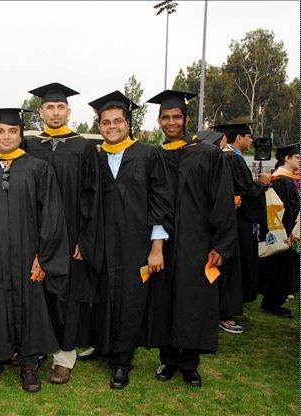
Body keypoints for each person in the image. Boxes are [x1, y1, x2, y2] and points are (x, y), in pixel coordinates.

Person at [0, 107, 69, 392]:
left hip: (28, 255)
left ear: (20, 135)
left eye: (13, 131)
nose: (6, 137)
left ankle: (29, 364)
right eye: (1, 131)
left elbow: (51, 216)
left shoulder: (38, 168)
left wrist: (43, 257)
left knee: (30, 306)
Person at [146, 90, 236, 387]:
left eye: (176, 117)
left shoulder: (208, 154)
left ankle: (190, 363)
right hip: (164, 241)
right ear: (159, 121)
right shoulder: (157, 155)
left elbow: (223, 201)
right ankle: (167, 359)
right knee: (165, 299)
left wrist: (221, 245)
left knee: (194, 300)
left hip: (198, 241)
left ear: (186, 120)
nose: (171, 122)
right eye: (166, 117)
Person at [87, 91, 173, 389]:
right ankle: (102, 345)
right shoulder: (96, 156)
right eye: (106, 122)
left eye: (117, 121)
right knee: (102, 294)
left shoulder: (148, 154)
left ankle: (122, 361)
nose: (112, 127)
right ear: (99, 125)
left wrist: (157, 246)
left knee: (130, 298)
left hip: (136, 243)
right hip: (102, 241)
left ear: (128, 123)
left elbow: (160, 201)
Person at [22, 83, 101, 385]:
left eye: (60, 107)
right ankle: (40, 347)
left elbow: (91, 196)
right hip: (35, 235)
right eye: (49, 107)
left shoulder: (82, 147)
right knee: (38, 294)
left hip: (70, 237)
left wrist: (84, 239)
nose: (55, 113)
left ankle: (64, 358)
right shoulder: (30, 145)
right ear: (41, 112)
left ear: (68, 111)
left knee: (67, 297)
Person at [211, 123, 268, 334]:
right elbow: (245, 189)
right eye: (248, 137)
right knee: (230, 265)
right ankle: (223, 314)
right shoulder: (231, 158)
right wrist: (262, 184)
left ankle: (222, 310)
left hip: (229, 218)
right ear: (238, 138)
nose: (251, 141)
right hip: (234, 221)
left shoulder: (226, 156)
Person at [258, 143, 299, 318]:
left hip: (289, 231)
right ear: (287, 158)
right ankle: (272, 303)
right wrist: (290, 231)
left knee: (284, 268)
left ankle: (273, 301)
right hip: (283, 232)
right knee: (280, 268)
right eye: (297, 157)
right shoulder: (281, 180)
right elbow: (284, 210)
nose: (299, 160)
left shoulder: (288, 179)